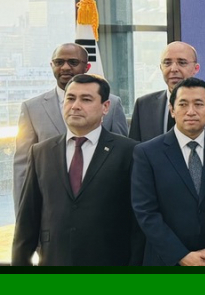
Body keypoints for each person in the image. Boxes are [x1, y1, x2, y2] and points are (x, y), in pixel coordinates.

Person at [12, 74, 141, 266]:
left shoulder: (129, 151)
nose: (76, 106)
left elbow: (138, 223)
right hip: (55, 260)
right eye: (70, 99)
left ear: (105, 107)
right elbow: (27, 222)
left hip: (110, 262)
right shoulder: (41, 152)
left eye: (86, 99)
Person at [132, 77, 205, 266]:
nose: (191, 111)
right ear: (172, 110)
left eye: (199, 104)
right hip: (165, 259)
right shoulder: (147, 153)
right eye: (183, 104)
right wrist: (181, 255)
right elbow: (146, 211)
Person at [13, 43, 127, 212]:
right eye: (59, 62)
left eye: (73, 62)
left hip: (101, 209)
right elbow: (23, 167)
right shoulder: (32, 108)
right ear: (52, 65)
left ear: (87, 66)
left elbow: (123, 157)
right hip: (50, 211)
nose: (65, 67)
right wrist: (23, 215)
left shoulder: (112, 103)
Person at [128, 41, 205, 141]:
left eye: (182, 63)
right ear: (160, 68)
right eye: (167, 63)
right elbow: (135, 150)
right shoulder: (143, 105)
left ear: (196, 68)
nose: (174, 69)